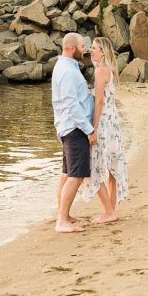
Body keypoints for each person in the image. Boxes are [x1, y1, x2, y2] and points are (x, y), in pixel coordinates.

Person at [51, 32, 97, 233]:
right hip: (75, 128)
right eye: (82, 46)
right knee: (76, 175)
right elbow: (70, 104)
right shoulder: (67, 71)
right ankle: (61, 221)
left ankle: (63, 214)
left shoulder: (66, 66)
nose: (85, 49)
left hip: (67, 127)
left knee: (66, 173)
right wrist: (89, 129)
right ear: (71, 48)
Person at [80, 35, 129, 223]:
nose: (91, 50)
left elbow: (99, 101)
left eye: (94, 47)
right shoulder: (110, 69)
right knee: (111, 166)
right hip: (113, 121)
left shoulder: (101, 71)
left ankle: (109, 211)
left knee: (97, 165)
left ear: (103, 52)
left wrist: (93, 127)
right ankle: (110, 210)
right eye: (91, 47)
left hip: (104, 122)